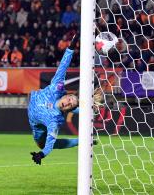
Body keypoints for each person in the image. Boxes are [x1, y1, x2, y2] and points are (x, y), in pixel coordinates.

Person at [28, 35, 101, 165]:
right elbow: (63, 65)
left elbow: (50, 141)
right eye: (69, 99)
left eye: (70, 105)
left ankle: (83, 140)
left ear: (68, 109)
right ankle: (88, 110)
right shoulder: (57, 87)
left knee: (53, 143)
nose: (68, 102)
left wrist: (42, 154)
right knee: (81, 107)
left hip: (40, 135)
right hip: (32, 99)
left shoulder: (54, 120)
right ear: (66, 95)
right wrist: (71, 48)